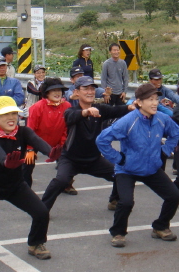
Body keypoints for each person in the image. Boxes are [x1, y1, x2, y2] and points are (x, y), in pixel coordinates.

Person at [0, 96, 54, 267]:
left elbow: (38, 142)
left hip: (15, 185)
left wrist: (51, 152)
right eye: (5, 114)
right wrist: (6, 161)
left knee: (41, 212)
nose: (11, 118)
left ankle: (35, 244)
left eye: (14, 113)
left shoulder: (23, 132)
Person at [97, 83, 179, 248]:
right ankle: (118, 233)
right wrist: (119, 159)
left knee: (174, 196)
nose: (154, 103)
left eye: (156, 99)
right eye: (150, 99)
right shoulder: (128, 121)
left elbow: (177, 132)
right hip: (127, 169)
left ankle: (160, 226)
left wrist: (165, 151)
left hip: (151, 168)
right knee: (126, 202)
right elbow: (102, 140)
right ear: (139, 102)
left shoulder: (161, 118)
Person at [40, 76, 132, 213]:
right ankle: (41, 209)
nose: (90, 92)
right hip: (71, 159)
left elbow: (118, 110)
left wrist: (131, 106)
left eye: (92, 89)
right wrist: (86, 112)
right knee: (61, 181)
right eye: (86, 89)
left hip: (93, 160)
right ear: (76, 92)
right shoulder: (70, 111)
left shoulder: (100, 109)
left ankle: (114, 199)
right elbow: (71, 117)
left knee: (120, 174)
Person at [26, 77, 71, 189]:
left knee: (68, 161)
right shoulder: (36, 107)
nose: (57, 93)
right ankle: (25, 188)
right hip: (36, 140)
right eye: (53, 90)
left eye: (59, 90)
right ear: (46, 92)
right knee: (27, 163)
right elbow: (30, 130)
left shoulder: (67, 106)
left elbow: (67, 129)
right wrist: (30, 148)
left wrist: (62, 145)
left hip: (57, 141)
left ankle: (66, 184)